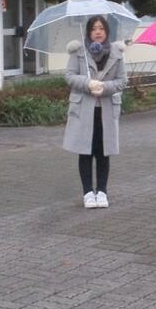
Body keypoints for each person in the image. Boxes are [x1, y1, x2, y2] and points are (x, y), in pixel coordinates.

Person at [63, 16, 127, 209]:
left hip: (106, 110)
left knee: (103, 152)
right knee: (85, 151)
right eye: (94, 29)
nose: (98, 32)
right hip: (84, 110)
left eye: (101, 28)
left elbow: (122, 81)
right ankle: (88, 193)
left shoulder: (117, 53)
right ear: (88, 32)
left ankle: (102, 191)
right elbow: (69, 76)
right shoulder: (79, 52)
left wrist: (104, 87)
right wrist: (87, 83)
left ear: (107, 31)